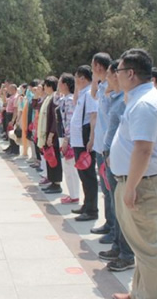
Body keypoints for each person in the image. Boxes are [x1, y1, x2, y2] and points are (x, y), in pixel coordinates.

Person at [110, 49, 157, 299]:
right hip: (137, 182)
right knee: (141, 247)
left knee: (148, 250)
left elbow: (143, 150)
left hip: (141, 185)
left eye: (119, 71)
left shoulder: (145, 104)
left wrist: (131, 187)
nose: (116, 75)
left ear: (131, 73)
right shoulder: (139, 99)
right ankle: (138, 293)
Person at [97, 60, 135, 272]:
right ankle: (118, 246)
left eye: (112, 75)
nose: (108, 79)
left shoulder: (126, 101)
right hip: (110, 156)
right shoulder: (115, 98)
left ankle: (126, 254)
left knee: (121, 208)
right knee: (115, 205)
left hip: (118, 159)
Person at [70, 65, 98, 221]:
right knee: (83, 174)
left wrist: (92, 139)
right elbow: (75, 101)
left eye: (76, 78)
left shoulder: (90, 94)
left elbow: (93, 117)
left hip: (84, 139)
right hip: (78, 140)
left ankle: (92, 209)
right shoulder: (82, 93)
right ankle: (87, 205)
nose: (75, 81)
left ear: (82, 78)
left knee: (88, 175)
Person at [90, 52, 114, 239]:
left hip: (108, 146)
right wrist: (95, 79)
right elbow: (93, 94)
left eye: (94, 65)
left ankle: (115, 230)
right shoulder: (102, 86)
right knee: (106, 189)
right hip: (100, 145)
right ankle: (109, 223)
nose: (92, 68)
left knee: (111, 190)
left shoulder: (112, 88)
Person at [56, 73, 80, 204]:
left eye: (60, 82)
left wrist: (67, 139)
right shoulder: (63, 99)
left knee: (70, 167)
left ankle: (74, 195)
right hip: (63, 136)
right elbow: (55, 100)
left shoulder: (70, 100)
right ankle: (72, 194)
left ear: (65, 84)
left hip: (67, 137)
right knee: (67, 167)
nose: (58, 85)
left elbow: (70, 120)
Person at [38, 76, 63, 194]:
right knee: (49, 158)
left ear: (50, 86)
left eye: (45, 85)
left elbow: (55, 119)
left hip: (52, 134)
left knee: (54, 158)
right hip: (47, 132)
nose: (44, 88)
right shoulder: (48, 98)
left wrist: (51, 134)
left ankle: (56, 183)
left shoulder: (54, 98)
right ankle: (52, 181)